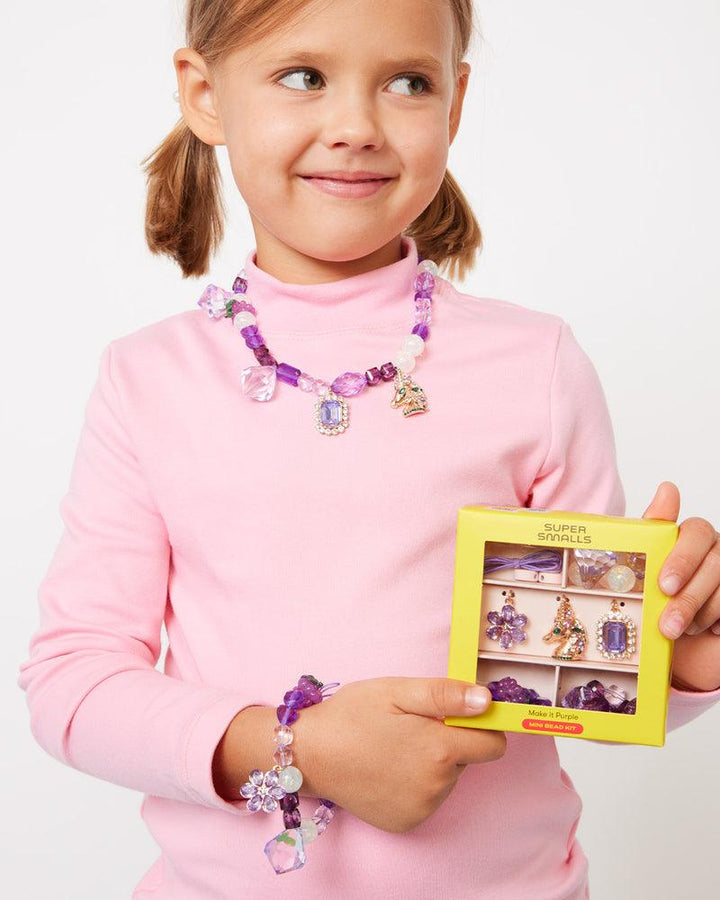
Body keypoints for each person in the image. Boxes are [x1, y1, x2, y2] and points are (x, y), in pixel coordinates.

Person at [17, 1, 720, 898]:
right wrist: (296, 746)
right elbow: (73, 682)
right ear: (205, 95)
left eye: (407, 82)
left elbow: (575, 668)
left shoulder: (537, 364)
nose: (355, 127)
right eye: (304, 77)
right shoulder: (144, 379)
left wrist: (686, 654)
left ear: (455, 107)